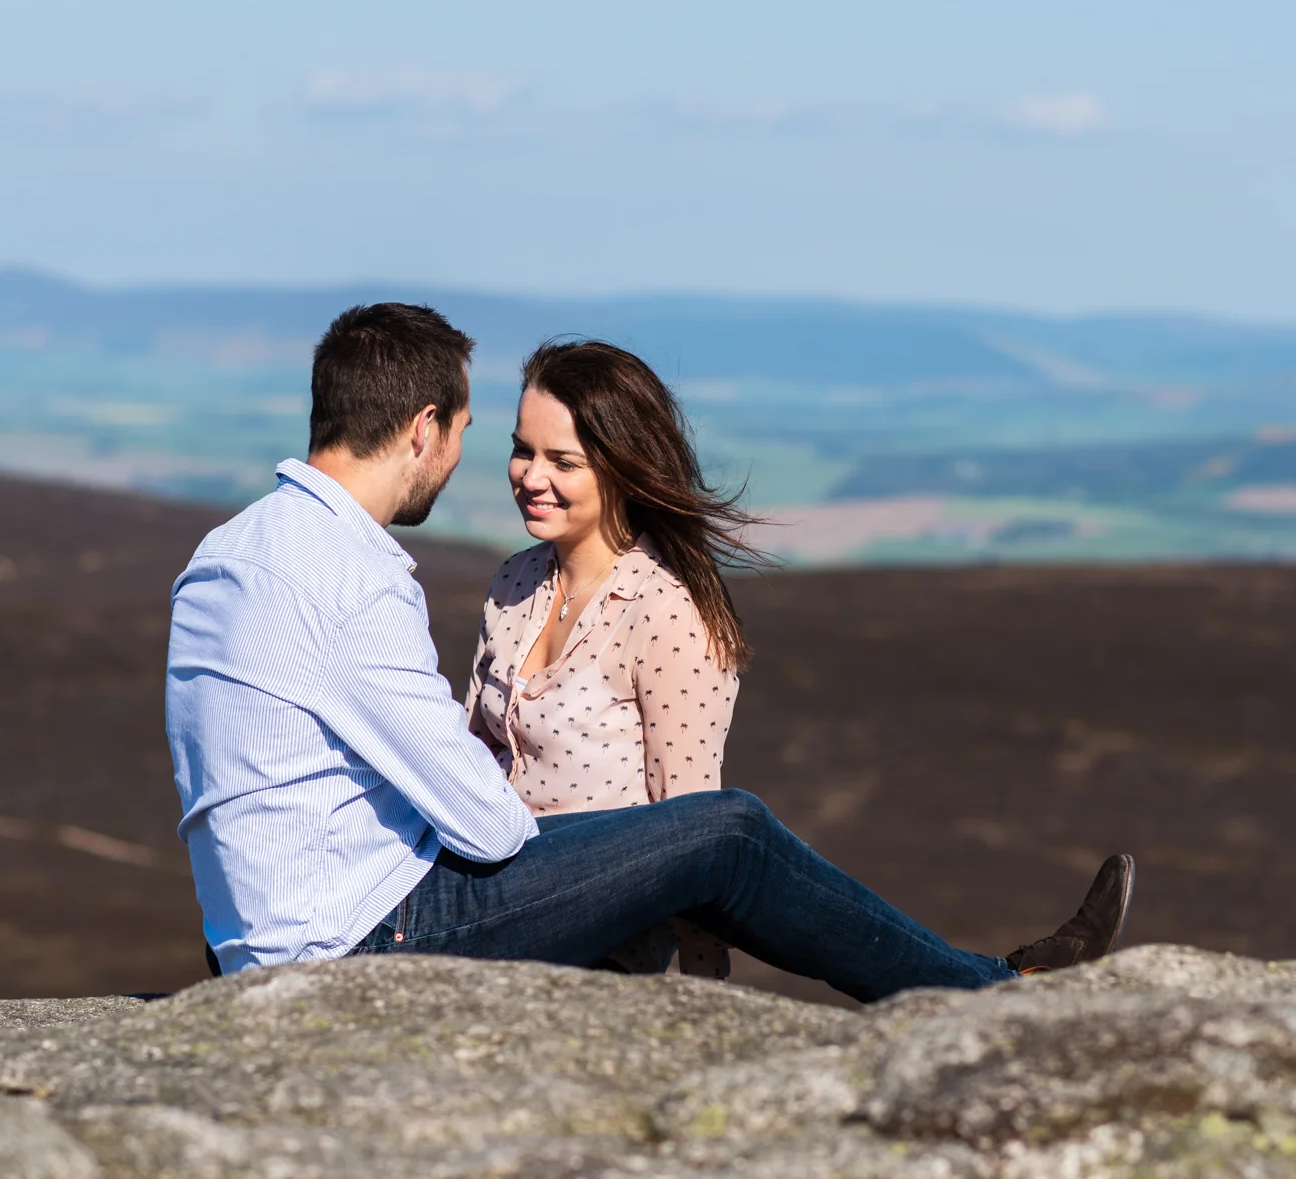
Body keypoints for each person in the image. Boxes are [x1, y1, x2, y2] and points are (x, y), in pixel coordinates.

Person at [166, 302, 1132, 1003]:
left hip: (255, 937)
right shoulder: (358, 575)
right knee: (731, 832)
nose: (490, 466)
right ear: (423, 429)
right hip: (366, 936)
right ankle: (990, 990)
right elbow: (490, 826)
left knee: (708, 832)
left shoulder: (225, 553)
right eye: (473, 434)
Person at [465, 340, 764, 979]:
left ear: (622, 467)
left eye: (562, 461)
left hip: (601, 944)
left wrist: (705, 993)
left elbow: (693, 826)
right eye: (523, 450)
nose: (530, 477)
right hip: (489, 905)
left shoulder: (668, 613)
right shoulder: (513, 582)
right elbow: (467, 756)